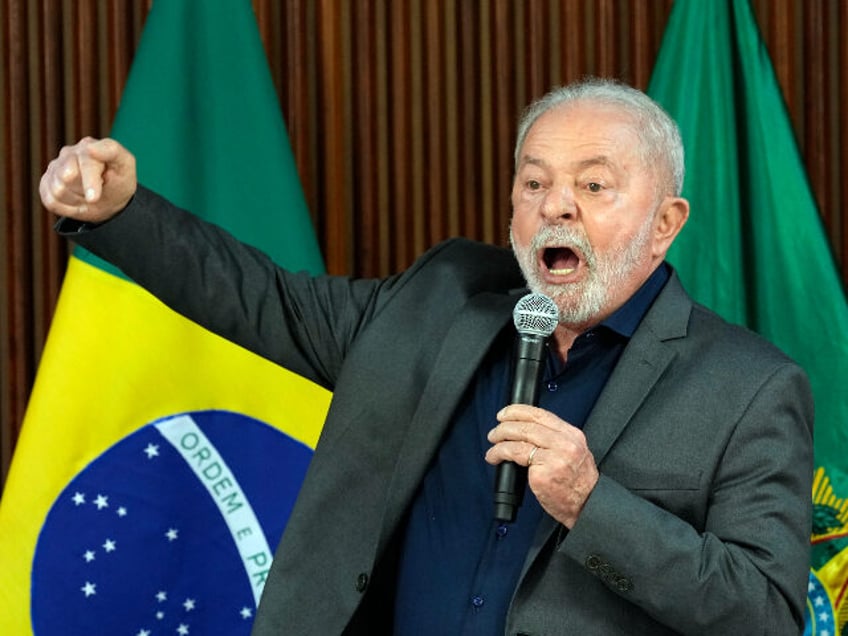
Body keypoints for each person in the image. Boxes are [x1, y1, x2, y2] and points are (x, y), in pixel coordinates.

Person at [39, 78, 813, 635]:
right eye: (534, 180)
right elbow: (262, 298)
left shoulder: (748, 387)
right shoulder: (440, 301)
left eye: (594, 184)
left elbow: (766, 613)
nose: (556, 204)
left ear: (666, 221)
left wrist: (590, 502)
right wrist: (121, 215)